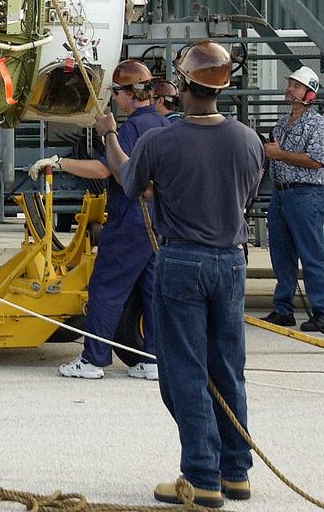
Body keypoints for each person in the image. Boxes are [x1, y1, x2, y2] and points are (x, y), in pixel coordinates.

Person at [98, 40, 263, 507]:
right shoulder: (248, 140)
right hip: (231, 261)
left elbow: (130, 183)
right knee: (227, 369)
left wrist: (110, 137)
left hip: (183, 263)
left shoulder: (160, 141)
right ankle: (235, 473)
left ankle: (202, 477)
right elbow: (243, 195)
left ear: (183, 85)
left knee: (184, 373)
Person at [30, 59, 169, 380]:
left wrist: (60, 162)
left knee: (106, 286)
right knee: (152, 290)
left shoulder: (130, 129)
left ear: (129, 93)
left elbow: (107, 170)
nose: (114, 98)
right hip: (158, 218)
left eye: (117, 92)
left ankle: (93, 360)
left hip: (130, 219)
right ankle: (153, 359)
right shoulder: (163, 125)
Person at [263, 66, 324, 332]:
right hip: (281, 193)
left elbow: (316, 161)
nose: (289, 89)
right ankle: (283, 309)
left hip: (305, 193)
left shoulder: (317, 124)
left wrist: (279, 154)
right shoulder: (281, 123)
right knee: (281, 253)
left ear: (309, 93)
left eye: (296, 86)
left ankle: (321, 310)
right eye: (290, 84)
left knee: (312, 253)